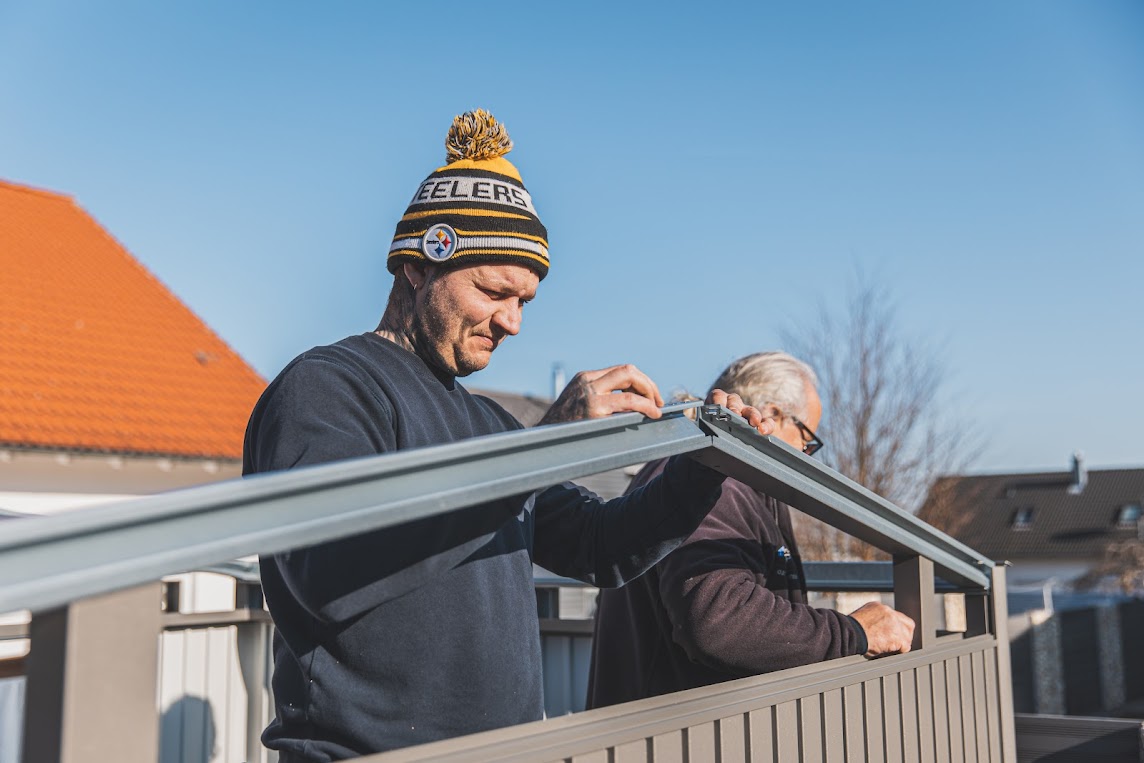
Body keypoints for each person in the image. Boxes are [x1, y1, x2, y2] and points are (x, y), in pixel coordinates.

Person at [242, 110, 776, 762]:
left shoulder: (490, 425)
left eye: (525, 300)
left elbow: (600, 546)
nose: (513, 322)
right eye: (495, 290)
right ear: (420, 265)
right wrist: (546, 441)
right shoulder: (329, 387)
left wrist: (703, 464)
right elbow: (329, 568)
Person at [587, 351, 916, 709]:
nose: (806, 454)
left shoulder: (693, 473)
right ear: (772, 415)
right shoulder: (717, 481)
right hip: (675, 737)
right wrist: (854, 633)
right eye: (807, 438)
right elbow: (718, 619)